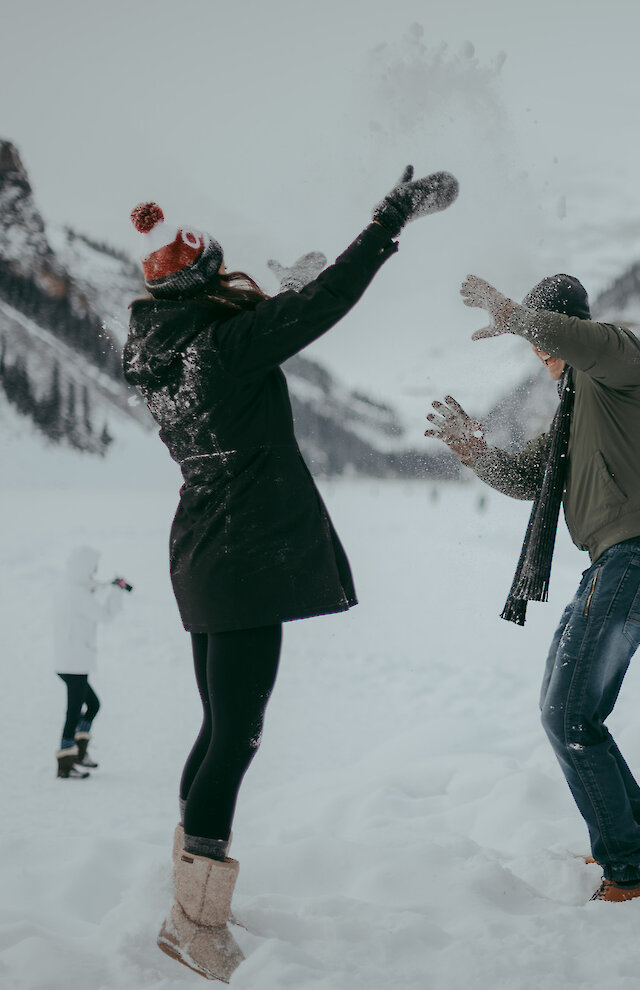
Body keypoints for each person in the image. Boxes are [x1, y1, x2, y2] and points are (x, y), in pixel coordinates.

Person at [123, 165, 457, 981]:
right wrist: (389, 219)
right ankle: (193, 921)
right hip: (241, 558)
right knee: (235, 735)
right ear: (202, 277)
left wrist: (270, 305)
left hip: (204, 553)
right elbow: (325, 306)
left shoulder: (164, 349)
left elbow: (260, 326)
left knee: (216, 731)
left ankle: (188, 891)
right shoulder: (222, 346)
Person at [426, 272, 640, 904]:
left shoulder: (617, 358)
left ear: (571, 330)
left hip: (639, 554)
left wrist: (518, 314)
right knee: (573, 711)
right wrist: (475, 453)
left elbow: (577, 340)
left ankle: (627, 875)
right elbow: (526, 477)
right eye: (535, 342)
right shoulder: (575, 410)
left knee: (568, 715)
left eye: (548, 337)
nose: (542, 353)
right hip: (615, 561)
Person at [52, 546, 131, 779]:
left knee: (92, 706)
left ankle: (77, 754)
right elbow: (104, 616)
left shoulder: (70, 588)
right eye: (92, 568)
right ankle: (66, 764)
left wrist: (107, 584)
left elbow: (89, 588)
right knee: (74, 712)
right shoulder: (77, 595)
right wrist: (116, 591)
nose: (94, 572)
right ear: (84, 568)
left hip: (70, 662)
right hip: (74, 663)